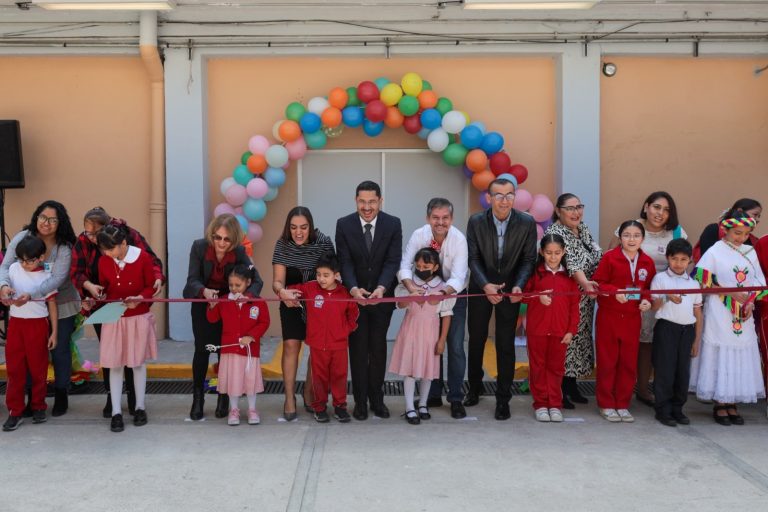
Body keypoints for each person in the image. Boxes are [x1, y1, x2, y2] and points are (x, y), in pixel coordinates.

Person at [70, 206, 165, 419]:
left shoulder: (132, 239)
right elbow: (78, 273)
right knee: (112, 360)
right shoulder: (92, 250)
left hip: (136, 315)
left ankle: (136, 402)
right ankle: (113, 405)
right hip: (109, 314)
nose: (92, 238)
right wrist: (90, 289)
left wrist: (145, 293)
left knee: (135, 361)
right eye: (88, 233)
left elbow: (152, 267)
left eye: (96, 233)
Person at [465, 178, 537, 420]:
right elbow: (472, 258)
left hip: (509, 289)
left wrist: (518, 286)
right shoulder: (476, 221)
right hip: (480, 287)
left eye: (509, 195)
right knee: (477, 339)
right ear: (489, 198)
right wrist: (486, 285)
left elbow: (528, 259)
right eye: (499, 195)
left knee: (506, 344)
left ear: (514, 197)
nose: (504, 200)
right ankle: (474, 389)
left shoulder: (526, 222)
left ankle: (503, 399)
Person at [0, 200, 80, 417]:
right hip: (25, 307)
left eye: (53, 220)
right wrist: (4, 286)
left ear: (60, 223)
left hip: (59, 303)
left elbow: (56, 279)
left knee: (59, 348)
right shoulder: (22, 237)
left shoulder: (63, 247)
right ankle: (30, 399)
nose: (46, 223)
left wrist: (32, 295)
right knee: (27, 354)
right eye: (43, 217)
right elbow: (6, 265)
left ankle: (62, 392)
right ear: (36, 217)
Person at [608, 192, 687, 407]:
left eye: (666, 209)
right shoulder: (629, 229)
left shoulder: (677, 233)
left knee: (653, 345)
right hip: (631, 299)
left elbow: (683, 263)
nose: (660, 213)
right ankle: (619, 392)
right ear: (646, 206)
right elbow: (611, 260)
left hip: (664, 298)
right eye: (656, 207)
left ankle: (645, 389)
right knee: (631, 344)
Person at [690, 208, 767, 425]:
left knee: (740, 352)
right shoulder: (716, 250)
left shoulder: (750, 252)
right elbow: (701, 277)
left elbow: (760, 282)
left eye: (745, 234)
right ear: (726, 230)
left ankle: (732, 401)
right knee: (722, 352)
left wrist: (751, 300)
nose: (741, 238)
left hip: (744, 313)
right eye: (737, 233)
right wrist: (729, 292)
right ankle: (720, 403)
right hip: (720, 310)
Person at [183, 214, 263, 421]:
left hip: (228, 307)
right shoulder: (199, 247)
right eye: (217, 237)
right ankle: (198, 398)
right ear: (211, 235)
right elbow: (192, 279)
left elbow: (257, 281)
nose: (221, 243)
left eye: (226, 239)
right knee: (202, 350)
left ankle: (224, 396)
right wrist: (204, 291)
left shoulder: (239, 252)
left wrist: (245, 297)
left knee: (224, 351)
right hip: (204, 303)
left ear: (234, 240)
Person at [335, 181, 402, 421]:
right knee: (358, 348)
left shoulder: (393, 224)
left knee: (378, 347)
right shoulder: (344, 224)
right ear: (356, 201)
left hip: (382, 299)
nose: (367, 207)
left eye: (372, 201)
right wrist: (353, 289)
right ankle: (360, 401)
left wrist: (382, 288)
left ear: (380, 201)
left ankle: (377, 398)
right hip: (355, 299)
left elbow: (393, 261)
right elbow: (345, 262)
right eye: (362, 201)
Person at [398, 198, 468, 419]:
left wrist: (442, 293)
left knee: (454, 346)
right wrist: (411, 289)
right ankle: (432, 396)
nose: (440, 222)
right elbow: (405, 265)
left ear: (452, 219)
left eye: (445, 218)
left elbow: (458, 276)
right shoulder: (419, 235)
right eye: (436, 218)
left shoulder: (459, 239)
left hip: (451, 294)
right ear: (428, 218)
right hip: (421, 296)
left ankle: (456, 397)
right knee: (429, 347)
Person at [271, 206, 335, 421]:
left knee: (315, 348)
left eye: (303, 227)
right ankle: (289, 397)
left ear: (311, 227)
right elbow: (277, 281)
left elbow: (334, 274)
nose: (298, 232)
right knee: (291, 345)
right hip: (291, 301)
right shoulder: (282, 244)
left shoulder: (324, 242)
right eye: (294, 227)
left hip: (317, 303)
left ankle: (309, 390)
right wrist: (282, 291)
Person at [96, 225, 158, 433]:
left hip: (137, 316)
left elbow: (151, 286)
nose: (107, 253)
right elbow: (104, 286)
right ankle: (116, 411)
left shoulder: (142, 258)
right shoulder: (104, 261)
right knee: (114, 364)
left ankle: (140, 407)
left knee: (137, 363)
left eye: (111, 249)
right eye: (104, 250)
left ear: (123, 243)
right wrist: (98, 294)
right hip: (114, 316)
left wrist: (140, 298)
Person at [593, 220, 656, 423]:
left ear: (642, 239)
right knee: (608, 361)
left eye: (636, 235)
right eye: (627, 235)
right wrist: (613, 292)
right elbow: (598, 284)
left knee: (628, 363)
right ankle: (606, 403)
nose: (631, 239)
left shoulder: (647, 262)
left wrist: (647, 301)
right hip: (609, 317)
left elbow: (650, 289)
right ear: (620, 238)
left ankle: (622, 404)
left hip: (632, 318)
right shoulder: (609, 258)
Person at [545, 193, 602, 409]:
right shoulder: (556, 232)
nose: (575, 212)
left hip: (586, 296)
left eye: (579, 206)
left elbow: (597, 253)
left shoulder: (582, 228)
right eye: (570, 208)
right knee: (566, 341)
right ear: (558, 211)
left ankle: (571, 385)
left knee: (579, 341)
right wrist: (586, 283)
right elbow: (572, 263)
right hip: (568, 294)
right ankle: (559, 389)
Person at [290, 253, 359, 423]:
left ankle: (340, 407)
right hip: (317, 345)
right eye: (318, 274)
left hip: (339, 345)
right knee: (318, 378)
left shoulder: (344, 292)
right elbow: (291, 291)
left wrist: (345, 330)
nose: (321, 279)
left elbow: (354, 314)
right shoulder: (310, 288)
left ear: (336, 275)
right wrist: (283, 292)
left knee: (339, 376)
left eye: (326, 275)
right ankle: (319, 407)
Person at [390, 247, 455, 425]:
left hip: (431, 335)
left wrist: (442, 340)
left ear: (435, 267)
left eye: (426, 265)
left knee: (428, 370)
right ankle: (410, 407)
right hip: (410, 332)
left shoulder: (443, 288)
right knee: (410, 370)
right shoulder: (408, 284)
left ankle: (423, 404)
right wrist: (411, 295)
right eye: (418, 265)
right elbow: (400, 305)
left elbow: (447, 315)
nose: (421, 268)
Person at [2, 236, 58, 432]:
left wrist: (54, 333)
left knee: (38, 369)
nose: (25, 264)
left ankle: (38, 406)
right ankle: (15, 411)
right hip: (16, 325)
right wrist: (6, 292)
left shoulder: (47, 275)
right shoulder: (13, 269)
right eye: (21, 260)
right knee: (15, 370)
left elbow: (52, 304)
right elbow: (5, 289)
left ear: (41, 257)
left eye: (30, 260)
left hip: (38, 326)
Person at [522, 234, 579, 423]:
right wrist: (537, 296)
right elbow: (523, 296)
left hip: (560, 332)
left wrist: (571, 330)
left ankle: (555, 404)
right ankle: (540, 404)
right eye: (548, 253)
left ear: (563, 252)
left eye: (557, 253)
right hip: (537, 331)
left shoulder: (569, 279)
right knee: (538, 368)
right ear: (541, 252)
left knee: (556, 368)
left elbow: (574, 307)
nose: (553, 257)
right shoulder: (535, 274)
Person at [206, 264, 270, 426]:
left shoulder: (257, 301)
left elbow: (264, 322)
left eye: (238, 285)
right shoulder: (224, 300)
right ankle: (233, 410)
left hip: (249, 350)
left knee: (250, 381)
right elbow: (212, 319)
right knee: (233, 381)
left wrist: (251, 336)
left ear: (248, 282)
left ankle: (252, 409)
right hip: (230, 349)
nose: (233, 289)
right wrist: (212, 307)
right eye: (231, 285)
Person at [649, 239, 703, 427]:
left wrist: (696, 340)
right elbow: (653, 306)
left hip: (687, 331)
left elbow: (698, 312)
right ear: (668, 258)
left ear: (690, 261)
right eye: (674, 259)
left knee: (683, 372)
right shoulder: (660, 279)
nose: (678, 263)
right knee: (665, 370)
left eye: (683, 259)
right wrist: (666, 297)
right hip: (666, 328)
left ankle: (678, 409)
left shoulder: (694, 284)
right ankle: (663, 410)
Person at [695, 198, 762, 259]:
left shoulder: (753, 241)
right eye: (755, 215)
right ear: (726, 230)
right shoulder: (713, 229)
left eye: (746, 234)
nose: (758, 219)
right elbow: (706, 258)